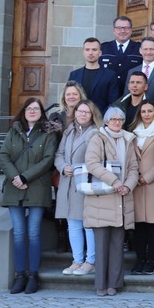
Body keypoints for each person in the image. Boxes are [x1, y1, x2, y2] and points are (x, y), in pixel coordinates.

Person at [0, 98, 60, 293]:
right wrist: (15, 176)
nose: (32, 111)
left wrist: (25, 176)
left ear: (42, 112)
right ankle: (19, 275)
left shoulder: (48, 133)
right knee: (18, 234)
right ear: (23, 111)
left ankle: (33, 275)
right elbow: (4, 155)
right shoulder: (14, 130)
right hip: (14, 187)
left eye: (36, 109)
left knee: (33, 233)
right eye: (29, 108)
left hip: (37, 187)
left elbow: (48, 160)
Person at [83, 106, 139, 296]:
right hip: (103, 196)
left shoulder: (128, 139)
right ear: (106, 121)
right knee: (101, 244)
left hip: (122, 197)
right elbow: (92, 163)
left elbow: (133, 167)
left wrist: (128, 185)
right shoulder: (97, 137)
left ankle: (114, 283)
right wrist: (114, 181)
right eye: (113, 119)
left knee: (117, 244)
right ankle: (100, 284)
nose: (117, 122)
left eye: (120, 119)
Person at [55, 100, 100, 277]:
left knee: (88, 224)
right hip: (68, 182)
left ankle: (91, 261)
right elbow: (59, 154)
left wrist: (80, 168)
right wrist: (62, 166)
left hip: (85, 182)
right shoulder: (69, 131)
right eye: (80, 111)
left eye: (87, 112)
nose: (82, 114)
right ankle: (77, 260)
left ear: (92, 114)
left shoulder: (95, 132)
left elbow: (97, 157)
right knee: (73, 224)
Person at [128, 101, 154, 275]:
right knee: (139, 225)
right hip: (135, 184)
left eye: (150, 111)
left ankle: (151, 261)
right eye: (143, 111)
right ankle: (140, 259)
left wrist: (148, 176)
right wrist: (134, 176)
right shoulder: (132, 132)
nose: (146, 114)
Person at [68, 38, 121, 114]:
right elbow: (69, 99)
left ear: (100, 53)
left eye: (94, 50)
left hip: (101, 119)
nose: (90, 53)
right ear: (83, 52)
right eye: (87, 50)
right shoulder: (74, 75)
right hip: (78, 118)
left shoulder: (110, 75)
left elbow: (113, 102)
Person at [100, 15, 142, 88]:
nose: (122, 31)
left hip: (131, 92)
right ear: (114, 30)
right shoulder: (104, 48)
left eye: (126, 28)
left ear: (131, 30)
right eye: (119, 28)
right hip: (107, 91)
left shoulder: (139, 48)